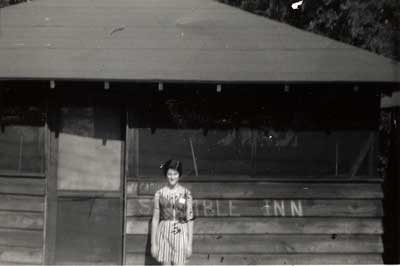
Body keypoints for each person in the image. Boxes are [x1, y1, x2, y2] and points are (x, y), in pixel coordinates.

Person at [151, 159, 194, 265]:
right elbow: (155, 219)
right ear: (166, 174)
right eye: (169, 174)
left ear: (179, 175)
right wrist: (153, 244)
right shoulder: (159, 193)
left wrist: (189, 244)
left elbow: (190, 219)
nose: (172, 177)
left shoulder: (186, 193)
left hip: (181, 232)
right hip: (163, 232)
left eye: (175, 174)